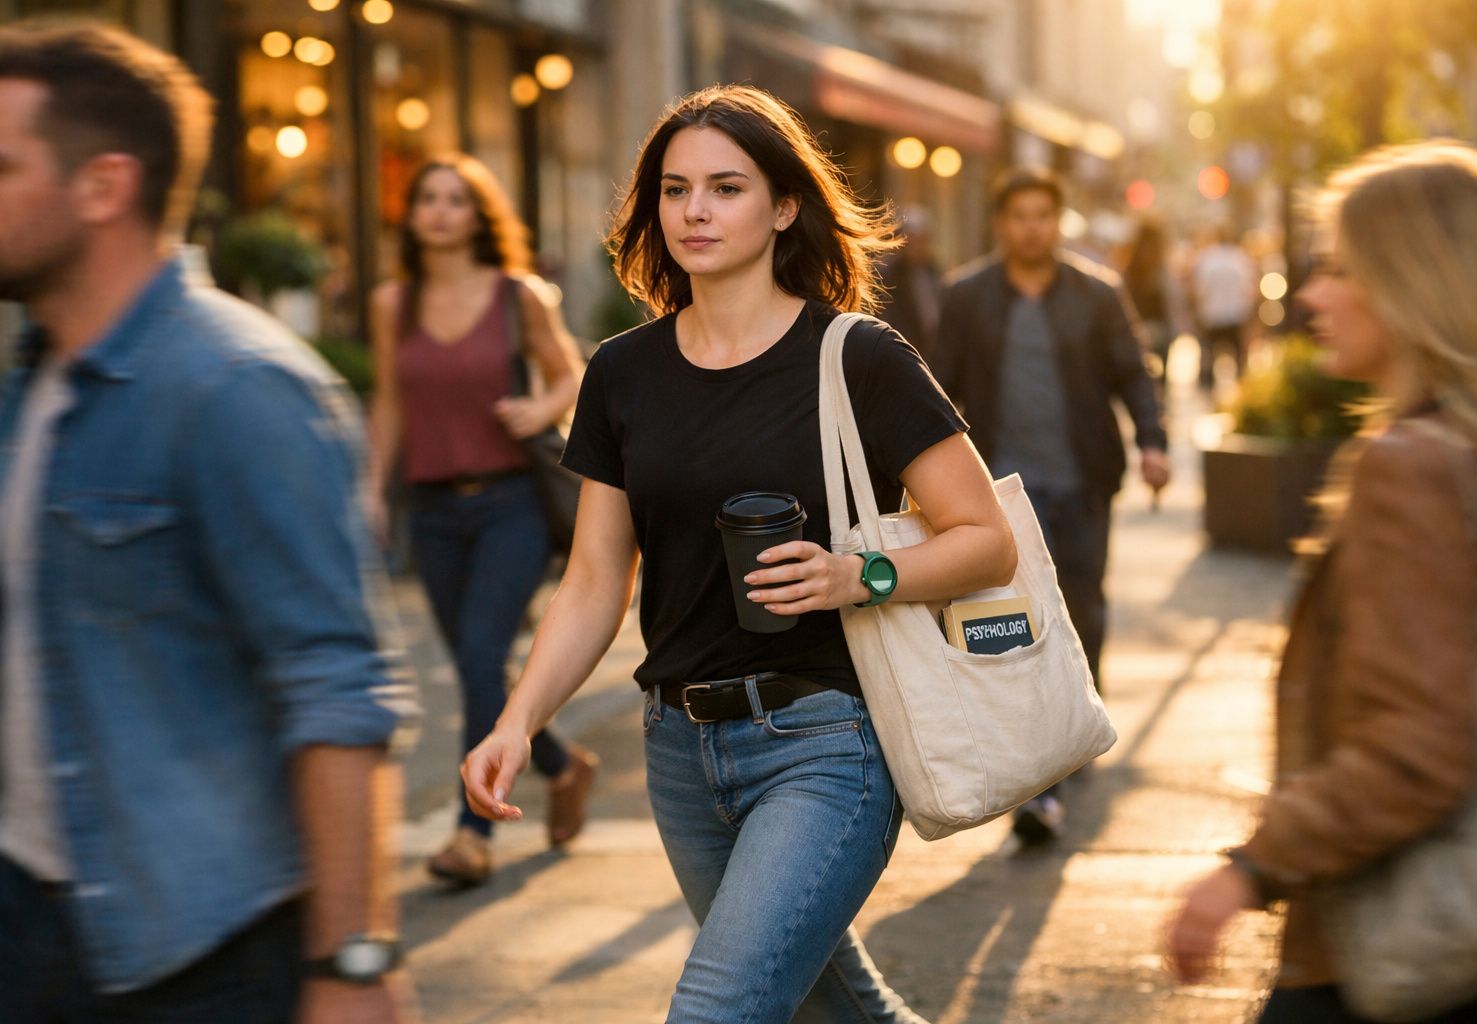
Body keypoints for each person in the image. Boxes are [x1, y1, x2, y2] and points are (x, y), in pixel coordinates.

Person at [460, 83, 1016, 1023]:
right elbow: (596, 579)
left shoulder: (857, 358)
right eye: (675, 191)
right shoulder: (621, 374)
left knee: (717, 1010)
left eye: (726, 187)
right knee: (829, 1006)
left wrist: (860, 574)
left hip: (828, 743)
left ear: (784, 207)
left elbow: (986, 542)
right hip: (680, 750)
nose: (695, 212)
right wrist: (519, 719)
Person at [0, 22, 415, 1022]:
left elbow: (336, 688)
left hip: (199, 949)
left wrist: (350, 963)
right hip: (36, 927)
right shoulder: (31, 385)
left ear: (103, 186)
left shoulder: (237, 387)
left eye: (2, 166)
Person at [1166, 141, 1477, 1021]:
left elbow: (1418, 748)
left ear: (1413, 280)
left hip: (1417, 929)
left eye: (1339, 267)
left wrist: (1251, 869)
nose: (1313, 295)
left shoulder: (1412, 466)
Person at [366, 153, 597, 885]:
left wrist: (541, 405)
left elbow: (573, 374)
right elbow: (390, 402)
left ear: (478, 215)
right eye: (426, 199)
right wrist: (371, 491)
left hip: (511, 502)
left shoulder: (516, 295)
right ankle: (561, 766)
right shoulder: (391, 305)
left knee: (474, 657)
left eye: (454, 200)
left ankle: (472, 834)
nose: (438, 211)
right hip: (431, 509)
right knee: (479, 665)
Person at [933, 166, 1168, 846]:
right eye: (1019, 215)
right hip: (996, 500)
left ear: (1058, 221)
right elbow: (937, 390)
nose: (1031, 227)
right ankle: (1037, 763)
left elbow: (1132, 372)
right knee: (1003, 622)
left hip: (1081, 482)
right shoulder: (967, 296)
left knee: (1084, 608)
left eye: (1043, 214)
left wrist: (1152, 442)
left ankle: (1074, 723)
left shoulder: (1097, 295)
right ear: (1000, 224)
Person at [1189, 222, 1257, 393]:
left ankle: (1208, 391)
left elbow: (1198, 290)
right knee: (1239, 360)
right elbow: (1250, 289)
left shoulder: (1206, 258)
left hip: (1212, 314)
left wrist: (1198, 311)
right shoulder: (1241, 258)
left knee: (1209, 357)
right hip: (1236, 314)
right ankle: (1242, 391)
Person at [1119, 215, 1178, 392]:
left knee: (1143, 374)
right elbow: (1169, 297)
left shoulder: (1131, 262)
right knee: (1163, 374)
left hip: (1137, 325)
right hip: (1159, 325)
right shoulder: (1159, 263)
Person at [876, 205, 943, 359]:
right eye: (913, 240)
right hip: (900, 349)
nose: (918, 246)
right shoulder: (887, 274)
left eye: (923, 240)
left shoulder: (933, 270)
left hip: (930, 350)